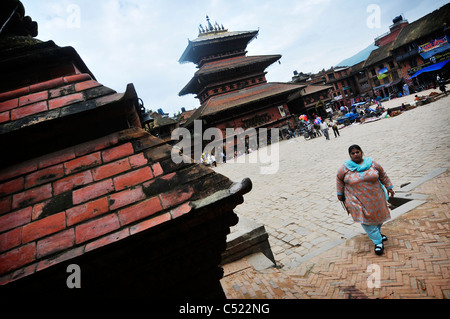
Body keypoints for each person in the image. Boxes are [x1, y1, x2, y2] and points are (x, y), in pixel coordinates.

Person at [336, 145, 395, 255]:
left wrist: (389, 187)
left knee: (378, 217)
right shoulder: (344, 168)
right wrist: (340, 194)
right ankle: (378, 242)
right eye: (352, 153)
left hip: (376, 197)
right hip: (355, 199)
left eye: (357, 152)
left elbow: (383, 175)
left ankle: (377, 233)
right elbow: (339, 181)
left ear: (361, 152)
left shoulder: (372, 163)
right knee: (365, 220)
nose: (355, 154)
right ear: (350, 155)